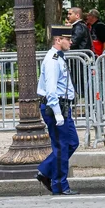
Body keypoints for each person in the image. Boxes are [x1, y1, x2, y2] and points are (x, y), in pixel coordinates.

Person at [36, 25, 80, 196]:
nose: (71, 41)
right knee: (62, 146)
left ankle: (46, 171)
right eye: (68, 39)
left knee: (71, 143)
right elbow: (52, 90)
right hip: (56, 106)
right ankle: (60, 185)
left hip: (62, 106)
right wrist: (57, 112)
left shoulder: (59, 58)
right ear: (57, 40)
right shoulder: (53, 60)